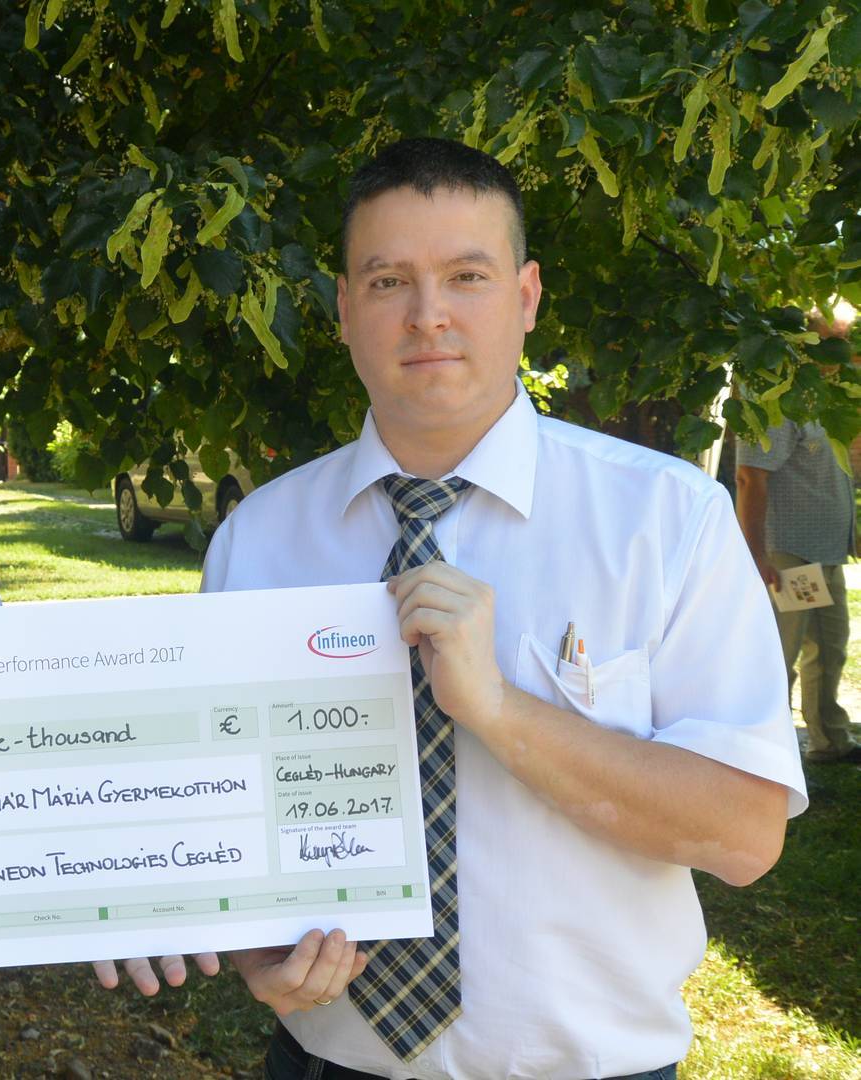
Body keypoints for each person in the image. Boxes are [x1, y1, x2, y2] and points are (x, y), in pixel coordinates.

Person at [106, 138, 807, 1079]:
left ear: (526, 296)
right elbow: (226, 812)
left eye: (466, 276)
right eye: (388, 281)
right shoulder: (259, 539)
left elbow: (746, 836)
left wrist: (500, 711)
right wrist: (254, 952)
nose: (427, 314)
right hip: (327, 1064)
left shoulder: (667, 519)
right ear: (344, 309)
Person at [736, 414, 860, 765]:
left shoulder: (820, 398)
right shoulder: (774, 404)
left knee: (828, 649)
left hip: (824, 551)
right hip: (786, 554)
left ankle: (830, 741)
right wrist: (756, 555)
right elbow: (749, 477)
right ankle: (761, 750)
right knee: (777, 657)